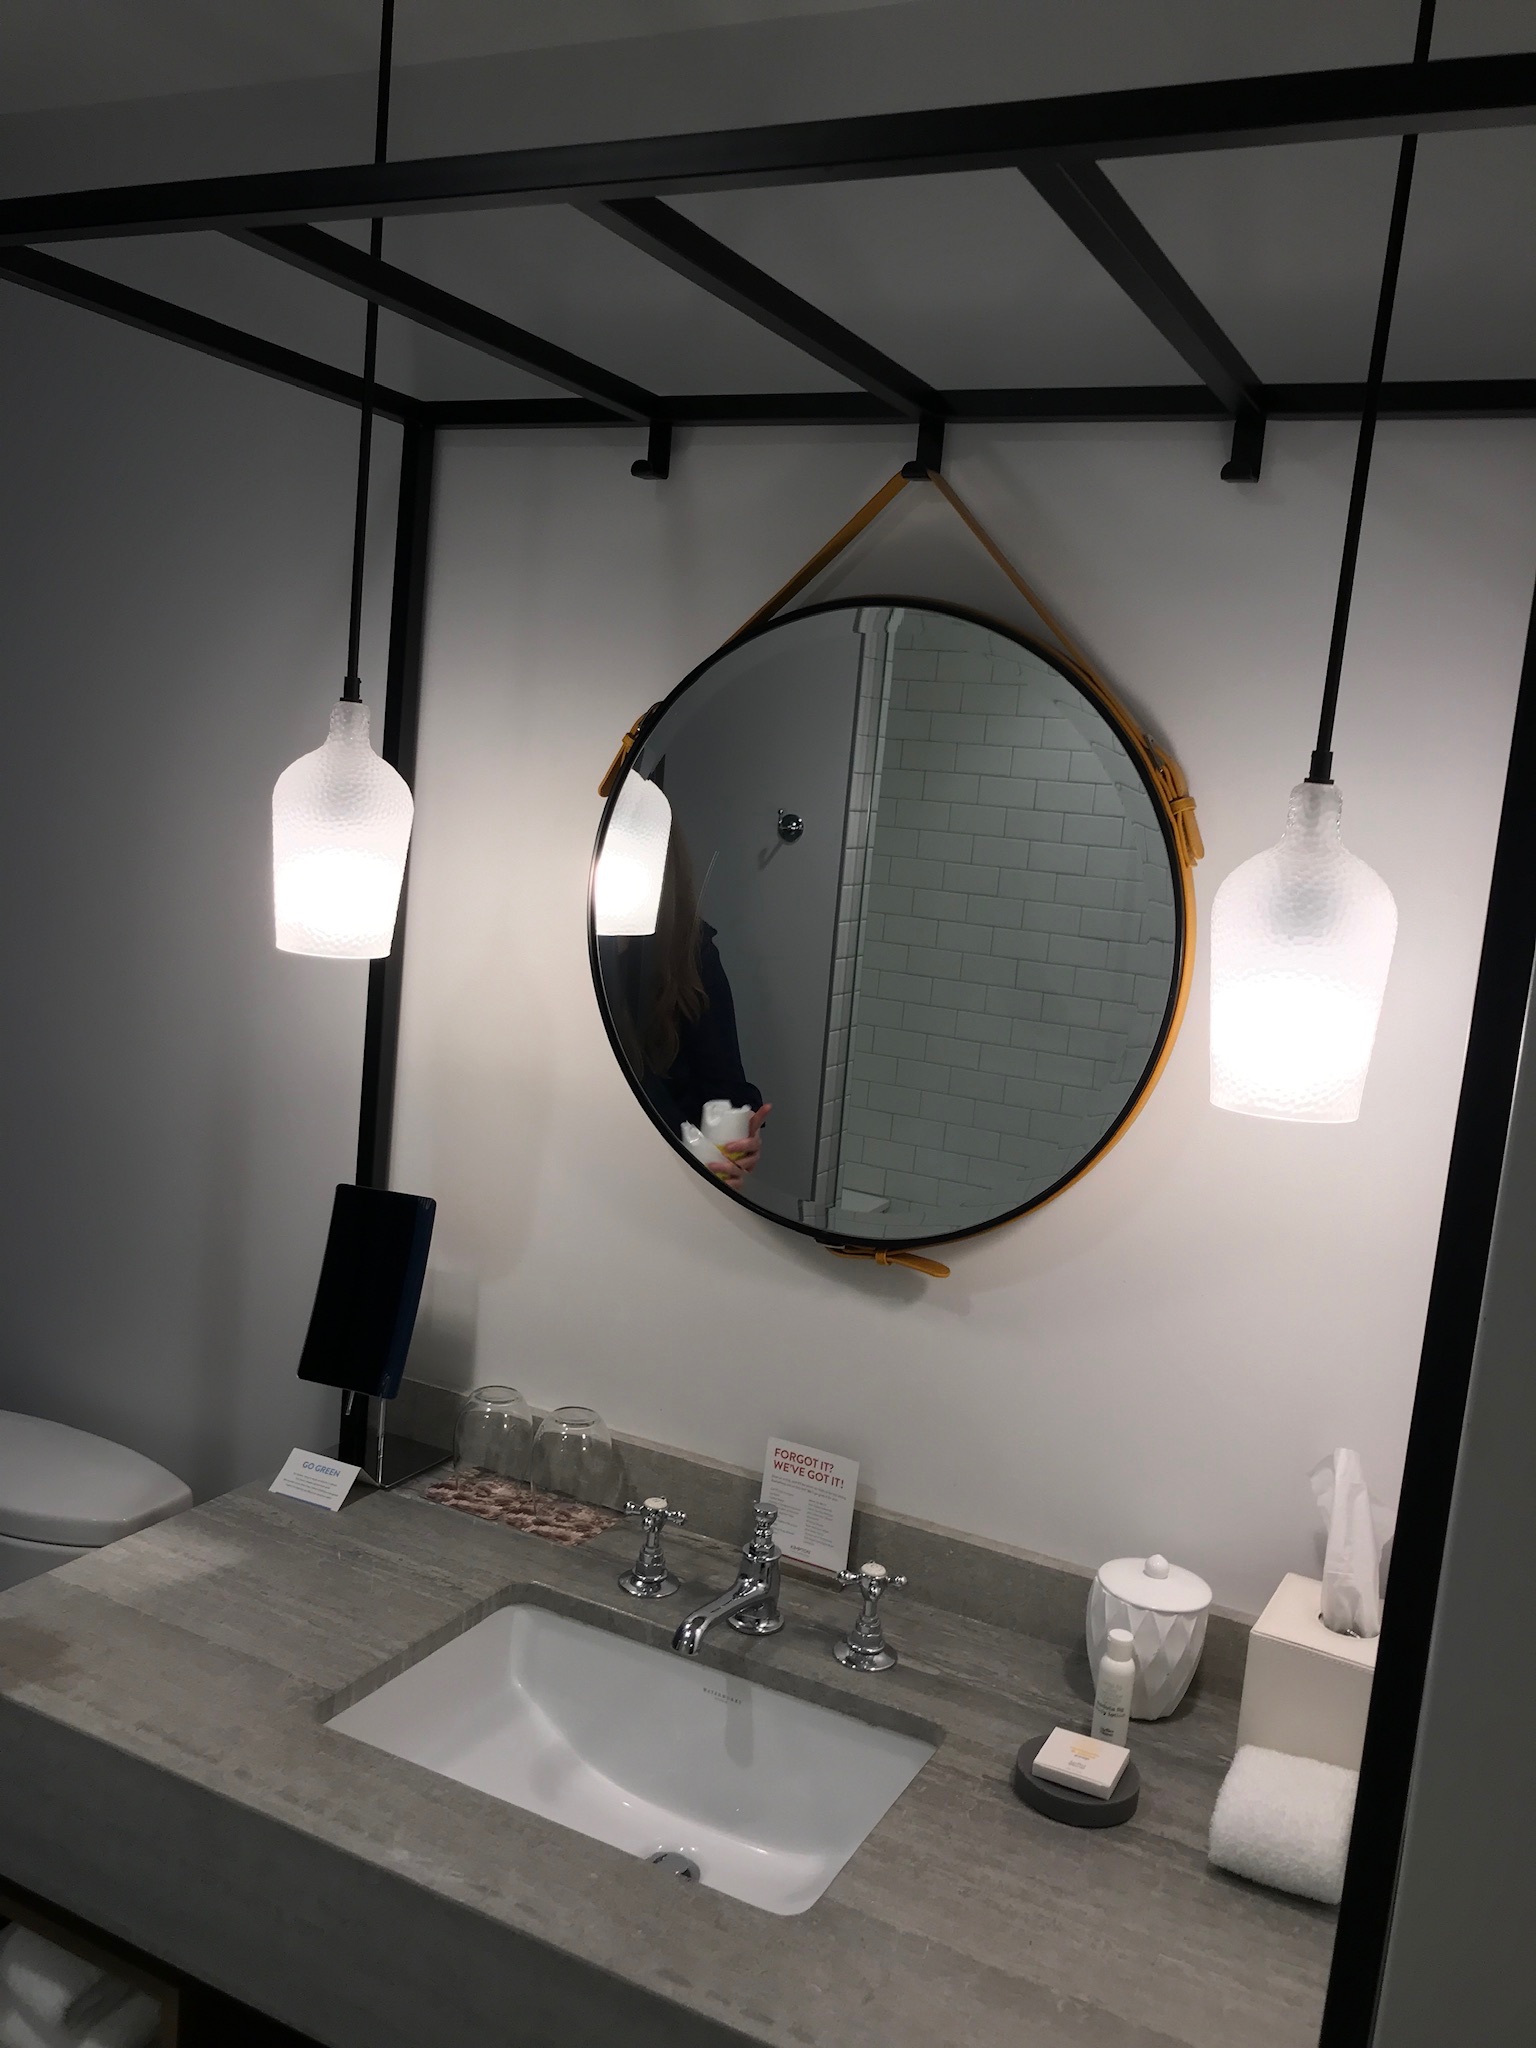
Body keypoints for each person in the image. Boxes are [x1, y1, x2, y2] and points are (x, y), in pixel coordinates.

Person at [602, 828, 771, 1187]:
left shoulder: (691, 952)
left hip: (673, 1183)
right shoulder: (561, 957)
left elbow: (724, 1087)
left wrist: (734, 1137)